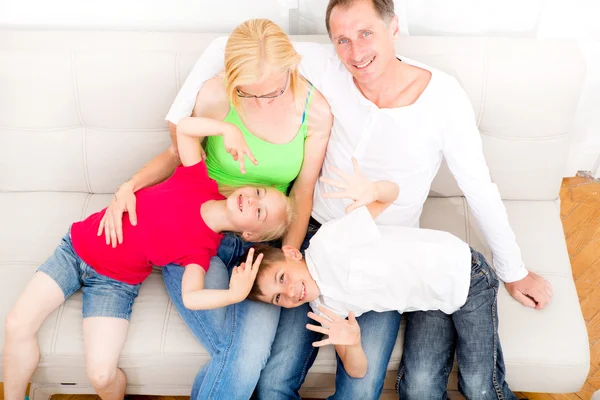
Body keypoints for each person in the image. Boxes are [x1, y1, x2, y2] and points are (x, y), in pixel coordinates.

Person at [168, 0, 554, 398]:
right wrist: (178, 121)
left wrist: (513, 269)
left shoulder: (444, 98)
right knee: (273, 381)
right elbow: (225, 47)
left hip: (382, 241)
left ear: (394, 28)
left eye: (365, 33)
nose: (355, 51)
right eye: (342, 39)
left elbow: (479, 186)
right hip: (311, 239)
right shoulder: (326, 66)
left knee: (361, 389)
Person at [96, 19, 333, 399]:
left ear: (292, 67)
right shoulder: (217, 95)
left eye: (271, 93)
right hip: (199, 233)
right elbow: (179, 153)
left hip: (263, 238)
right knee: (243, 353)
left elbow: (303, 193)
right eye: (248, 94)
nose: (260, 103)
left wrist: (284, 255)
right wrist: (130, 185)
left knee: (248, 356)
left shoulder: (315, 112)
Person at [2, 116, 293, 400]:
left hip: (115, 284)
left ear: (251, 235)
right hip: (75, 249)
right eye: (258, 192)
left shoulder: (200, 251)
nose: (253, 200)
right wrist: (227, 128)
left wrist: (233, 294)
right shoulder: (199, 179)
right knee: (17, 324)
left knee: (101, 376)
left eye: (259, 212)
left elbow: (192, 297)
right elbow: (186, 129)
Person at [246, 158, 517, 399]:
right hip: (428, 304)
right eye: (278, 298)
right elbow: (357, 369)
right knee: (418, 390)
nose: (290, 293)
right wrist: (352, 343)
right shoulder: (325, 310)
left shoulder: (328, 242)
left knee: (479, 387)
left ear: (292, 253)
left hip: (465, 277)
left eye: (283, 278)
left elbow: (390, 195)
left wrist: (373, 190)